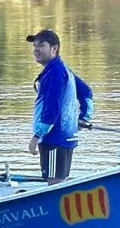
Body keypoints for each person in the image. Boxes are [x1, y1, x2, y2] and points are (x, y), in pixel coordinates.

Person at [26, 29, 93, 183]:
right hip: (64, 138)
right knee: (58, 181)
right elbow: (86, 92)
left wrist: (37, 136)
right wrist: (84, 117)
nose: (36, 50)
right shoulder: (60, 70)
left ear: (54, 49)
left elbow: (52, 108)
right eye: (34, 46)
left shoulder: (55, 73)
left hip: (54, 138)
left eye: (41, 45)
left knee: (55, 184)